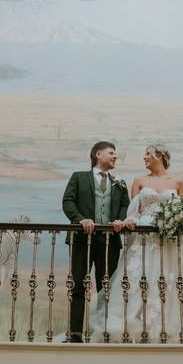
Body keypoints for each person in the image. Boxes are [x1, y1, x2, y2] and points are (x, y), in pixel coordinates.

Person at [90, 144, 183, 343]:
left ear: (159, 156)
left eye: (148, 154)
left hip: (167, 241)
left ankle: (163, 327)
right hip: (144, 239)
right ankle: (131, 326)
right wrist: (129, 220)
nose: (144, 158)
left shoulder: (178, 182)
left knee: (167, 279)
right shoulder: (139, 181)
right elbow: (134, 211)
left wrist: (175, 221)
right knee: (136, 278)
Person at [61, 140, 131, 342]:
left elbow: (125, 206)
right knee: (78, 285)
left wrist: (121, 220)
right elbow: (68, 201)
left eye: (115, 153)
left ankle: (103, 332)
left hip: (110, 241)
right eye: (111, 153)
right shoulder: (79, 177)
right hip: (82, 239)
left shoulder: (120, 183)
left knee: (106, 287)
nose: (115, 156)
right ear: (97, 155)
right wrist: (81, 219)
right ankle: (75, 334)